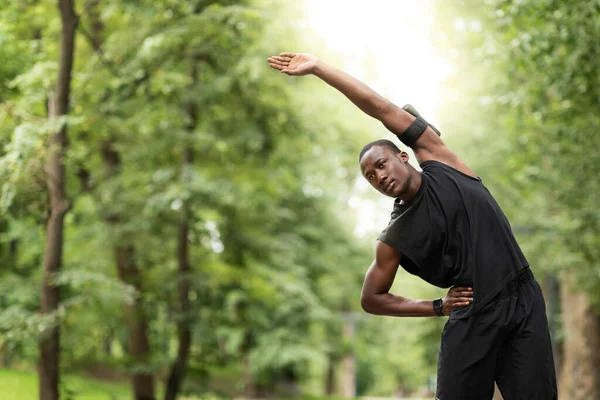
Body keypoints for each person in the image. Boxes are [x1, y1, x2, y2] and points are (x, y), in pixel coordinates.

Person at [267, 52, 557, 400]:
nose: (379, 176)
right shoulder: (395, 236)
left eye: (381, 164)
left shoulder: (441, 159)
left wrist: (317, 68)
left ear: (403, 156)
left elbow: (378, 106)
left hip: (523, 298)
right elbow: (371, 299)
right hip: (472, 313)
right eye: (371, 177)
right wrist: (436, 306)